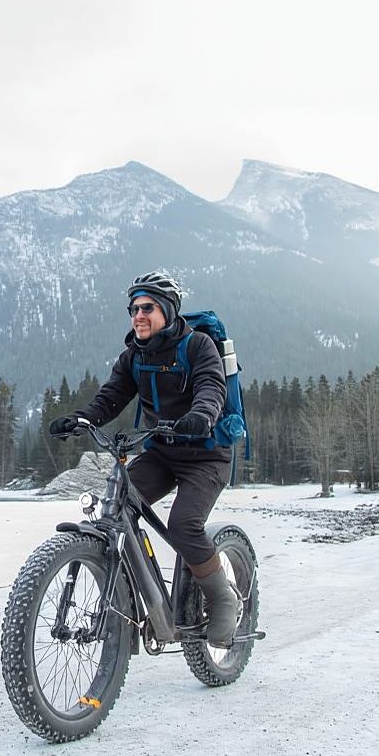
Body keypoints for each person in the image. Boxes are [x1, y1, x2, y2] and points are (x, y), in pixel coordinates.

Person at [47, 271, 238, 648]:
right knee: (116, 507)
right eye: (133, 309)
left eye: (147, 308)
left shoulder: (198, 346)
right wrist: (82, 419)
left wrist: (201, 415)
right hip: (161, 452)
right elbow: (111, 397)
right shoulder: (134, 356)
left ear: (167, 310)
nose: (138, 315)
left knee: (183, 525)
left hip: (206, 454)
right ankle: (131, 597)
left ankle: (222, 599)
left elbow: (211, 389)